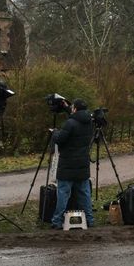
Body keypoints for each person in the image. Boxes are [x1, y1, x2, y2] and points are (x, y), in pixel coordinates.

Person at [50, 98, 95, 229]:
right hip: (82, 164)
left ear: (75, 108)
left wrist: (54, 133)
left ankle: (57, 221)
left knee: (63, 194)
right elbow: (76, 121)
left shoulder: (70, 123)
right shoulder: (89, 122)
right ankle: (90, 220)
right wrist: (66, 107)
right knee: (85, 194)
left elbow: (60, 139)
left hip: (67, 164)